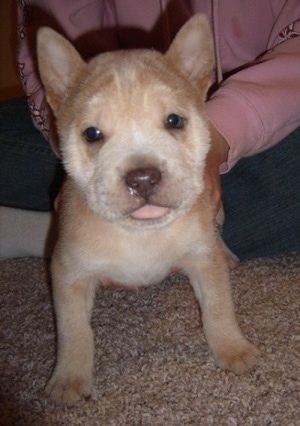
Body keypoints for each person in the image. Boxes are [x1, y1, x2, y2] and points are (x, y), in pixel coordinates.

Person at [1, 0, 300, 259]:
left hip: (270, 106)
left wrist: (219, 130)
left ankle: (80, 240)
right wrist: (89, 144)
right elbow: (60, 73)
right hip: (106, 111)